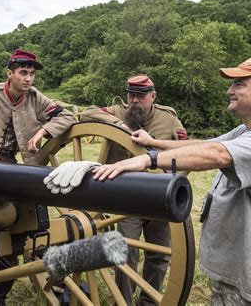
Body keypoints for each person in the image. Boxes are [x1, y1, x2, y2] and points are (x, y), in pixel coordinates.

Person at [79, 56, 251, 305]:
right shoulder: (250, 129)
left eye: (239, 84)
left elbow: (217, 153)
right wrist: (153, 143)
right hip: (244, 275)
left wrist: (148, 159)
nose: (229, 90)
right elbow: (206, 144)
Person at [0, 49, 77, 305]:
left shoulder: (35, 98)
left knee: (19, 234)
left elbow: (66, 115)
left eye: (32, 74)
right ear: (10, 74)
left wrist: (42, 133)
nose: (28, 79)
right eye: (23, 73)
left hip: (13, 168)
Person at [79, 74, 187, 305]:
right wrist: (119, 126)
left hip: (160, 198)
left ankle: (148, 301)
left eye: (141, 96)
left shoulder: (168, 119)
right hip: (127, 199)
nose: (135, 101)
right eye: (131, 95)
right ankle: (123, 301)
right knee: (126, 255)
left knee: (159, 255)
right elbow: (87, 113)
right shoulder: (118, 112)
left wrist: (175, 180)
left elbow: (184, 150)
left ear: (153, 96)